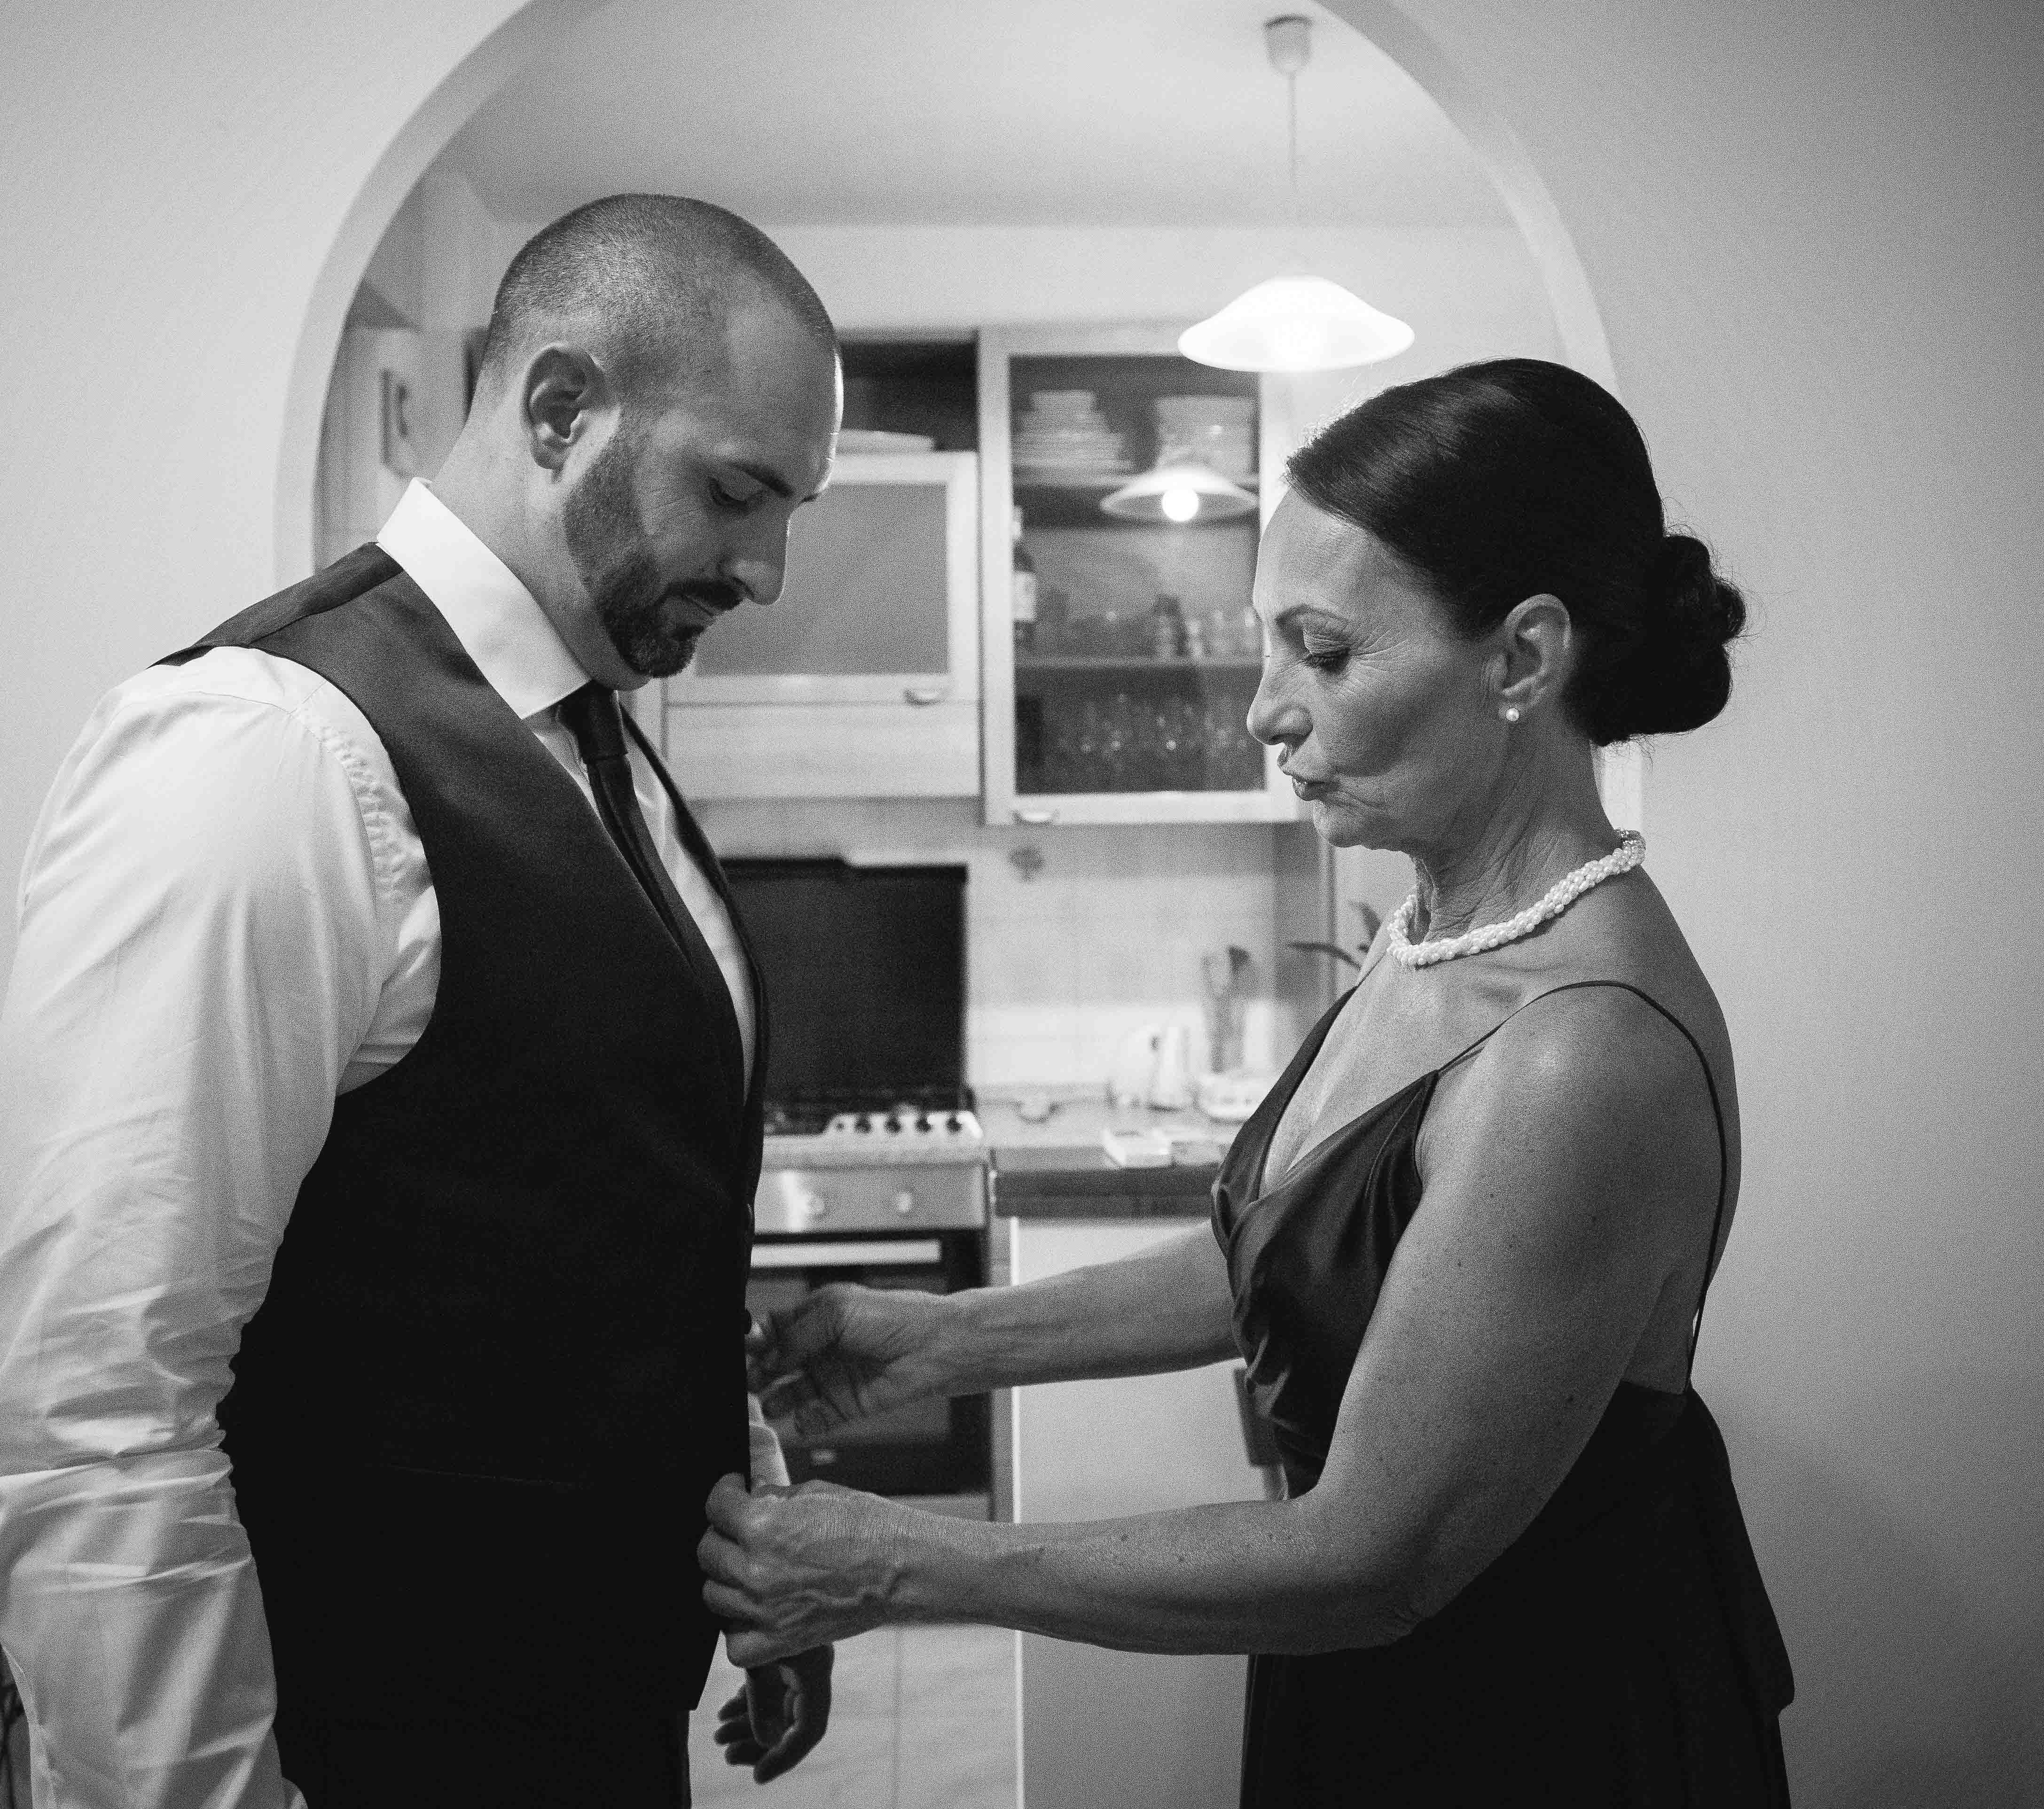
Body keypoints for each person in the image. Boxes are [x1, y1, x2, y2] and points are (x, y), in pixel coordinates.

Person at [704, 359, 1795, 1804]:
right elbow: (1287, 1258)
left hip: (1536, 1730)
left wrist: (905, 1563)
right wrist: (947, 1341)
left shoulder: (1581, 1053)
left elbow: (1373, 1558)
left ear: (1522, 660)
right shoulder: (1435, 933)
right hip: (1389, 1693)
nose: (1265, 712)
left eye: (1324, 654)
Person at [0, 195, 846, 1809]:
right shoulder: (268, 753)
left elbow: (611, 1231)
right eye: (735, 492)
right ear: (562, 408)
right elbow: (93, 1411)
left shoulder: (595, 741)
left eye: (792, 510)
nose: (767, 571)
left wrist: (745, 1540)